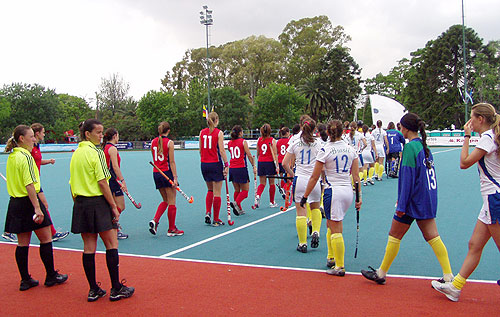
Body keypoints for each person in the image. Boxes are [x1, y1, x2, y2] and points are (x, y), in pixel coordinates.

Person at [361, 113, 453, 285]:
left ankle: (381, 273)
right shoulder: (423, 146)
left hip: (413, 201)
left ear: (405, 128)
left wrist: (401, 204)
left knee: (394, 235)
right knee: (432, 236)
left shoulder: (410, 148)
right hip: (425, 198)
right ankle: (448, 276)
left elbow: (408, 178)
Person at [432, 103, 500, 301]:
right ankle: (455, 287)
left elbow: (464, 163)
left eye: (471, 118)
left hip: (493, 197)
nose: (468, 122)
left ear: (480, 119)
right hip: (491, 198)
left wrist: (467, 137)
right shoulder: (491, 136)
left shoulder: (487, 138)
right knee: (474, 244)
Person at [70, 119, 134, 301]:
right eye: (98, 132)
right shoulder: (95, 153)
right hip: (97, 202)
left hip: (81, 202)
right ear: (87, 134)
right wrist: (113, 206)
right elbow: (102, 182)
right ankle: (116, 288)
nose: (101, 135)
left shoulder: (76, 154)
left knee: (89, 247)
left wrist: (78, 202)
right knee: (112, 244)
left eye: (102, 132)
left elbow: (72, 183)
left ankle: (93, 290)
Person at [4, 125, 68, 291]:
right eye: (31, 136)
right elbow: (29, 185)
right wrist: (37, 207)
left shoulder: (13, 156)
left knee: (22, 243)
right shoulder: (25, 157)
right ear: (21, 139)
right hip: (29, 203)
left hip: (16, 203)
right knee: (46, 238)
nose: (34, 139)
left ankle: (25, 279)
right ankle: (51, 275)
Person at [303, 120, 362, 275]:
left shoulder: (325, 149)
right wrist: (358, 198)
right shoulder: (350, 149)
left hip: (333, 191)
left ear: (328, 133)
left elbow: (314, 177)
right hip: (347, 191)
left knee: (335, 228)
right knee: (333, 223)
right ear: (343, 132)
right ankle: (331, 257)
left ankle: (340, 266)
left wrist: (305, 196)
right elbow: (356, 177)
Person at [282, 119, 323, 253]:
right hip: (314, 179)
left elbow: (284, 163)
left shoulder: (295, 142)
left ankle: (302, 243)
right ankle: (316, 231)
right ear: (314, 129)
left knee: (301, 210)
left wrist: (292, 174)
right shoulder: (318, 143)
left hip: (300, 179)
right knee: (315, 207)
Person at [30, 123, 70, 241]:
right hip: (30, 182)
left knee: (40, 206)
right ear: (37, 133)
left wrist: (48, 161)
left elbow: (37, 161)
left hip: (36, 181)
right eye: (43, 132)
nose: (44, 134)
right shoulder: (30, 147)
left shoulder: (36, 146)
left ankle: (51, 232)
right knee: (41, 206)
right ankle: (52, 233)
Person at [148, 122, 183, 236]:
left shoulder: (153, 142)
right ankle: (171, 229)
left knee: (166, 200)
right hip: (166, 173)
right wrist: (175, 178)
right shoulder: (169, 143)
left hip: (156, 173)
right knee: (172, 201)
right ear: (168, 130)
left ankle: (155, 220)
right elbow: (171, 161)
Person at [199, 112, 229, 226]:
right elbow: (221, 151)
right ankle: (216, 219)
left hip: (204, 164)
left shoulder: (202, 132)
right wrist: (226, 164)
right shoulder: (219, 133)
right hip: (215, 164)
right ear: (216, 120)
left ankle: (208, 212)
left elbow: (200, 150)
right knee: (217, 192)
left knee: (210, 190)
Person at [102, 128, 129, 240]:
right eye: (118, 135)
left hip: (108, 179)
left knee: (112, 205)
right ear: (114, 136)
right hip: (113, 180)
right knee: (120, 206)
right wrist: (122, 180)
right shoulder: (112, 149)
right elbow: (115, 167)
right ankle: (112, 226)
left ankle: (113, 227)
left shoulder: (105, 147)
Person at [227, 125, 256, 216]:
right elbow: (249, 155)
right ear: (240, 133)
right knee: (245, 191)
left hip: (232, 168)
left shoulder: (229, 143)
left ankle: (238, 208)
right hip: (241, 168)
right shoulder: (243, 142)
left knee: (237, 190)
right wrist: (254, 166)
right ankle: (236, 203)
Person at [254, 123, 280, 209]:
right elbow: (275, 154)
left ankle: (258, 195)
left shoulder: (259, 140)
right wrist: (277, 165)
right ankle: (272, 202)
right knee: (271, 183)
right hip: (270, 162)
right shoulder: (272, 140)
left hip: (261, 162)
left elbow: (258, 153)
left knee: (262, 183)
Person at [276, 127, 290, 198]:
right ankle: (284, 188)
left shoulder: (278, 141)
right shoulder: (289, 141)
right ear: (287, 133)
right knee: (288, 176)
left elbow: (277, 152)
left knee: (281, 176)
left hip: (280, 161)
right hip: (286, 161)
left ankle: (282, 189)